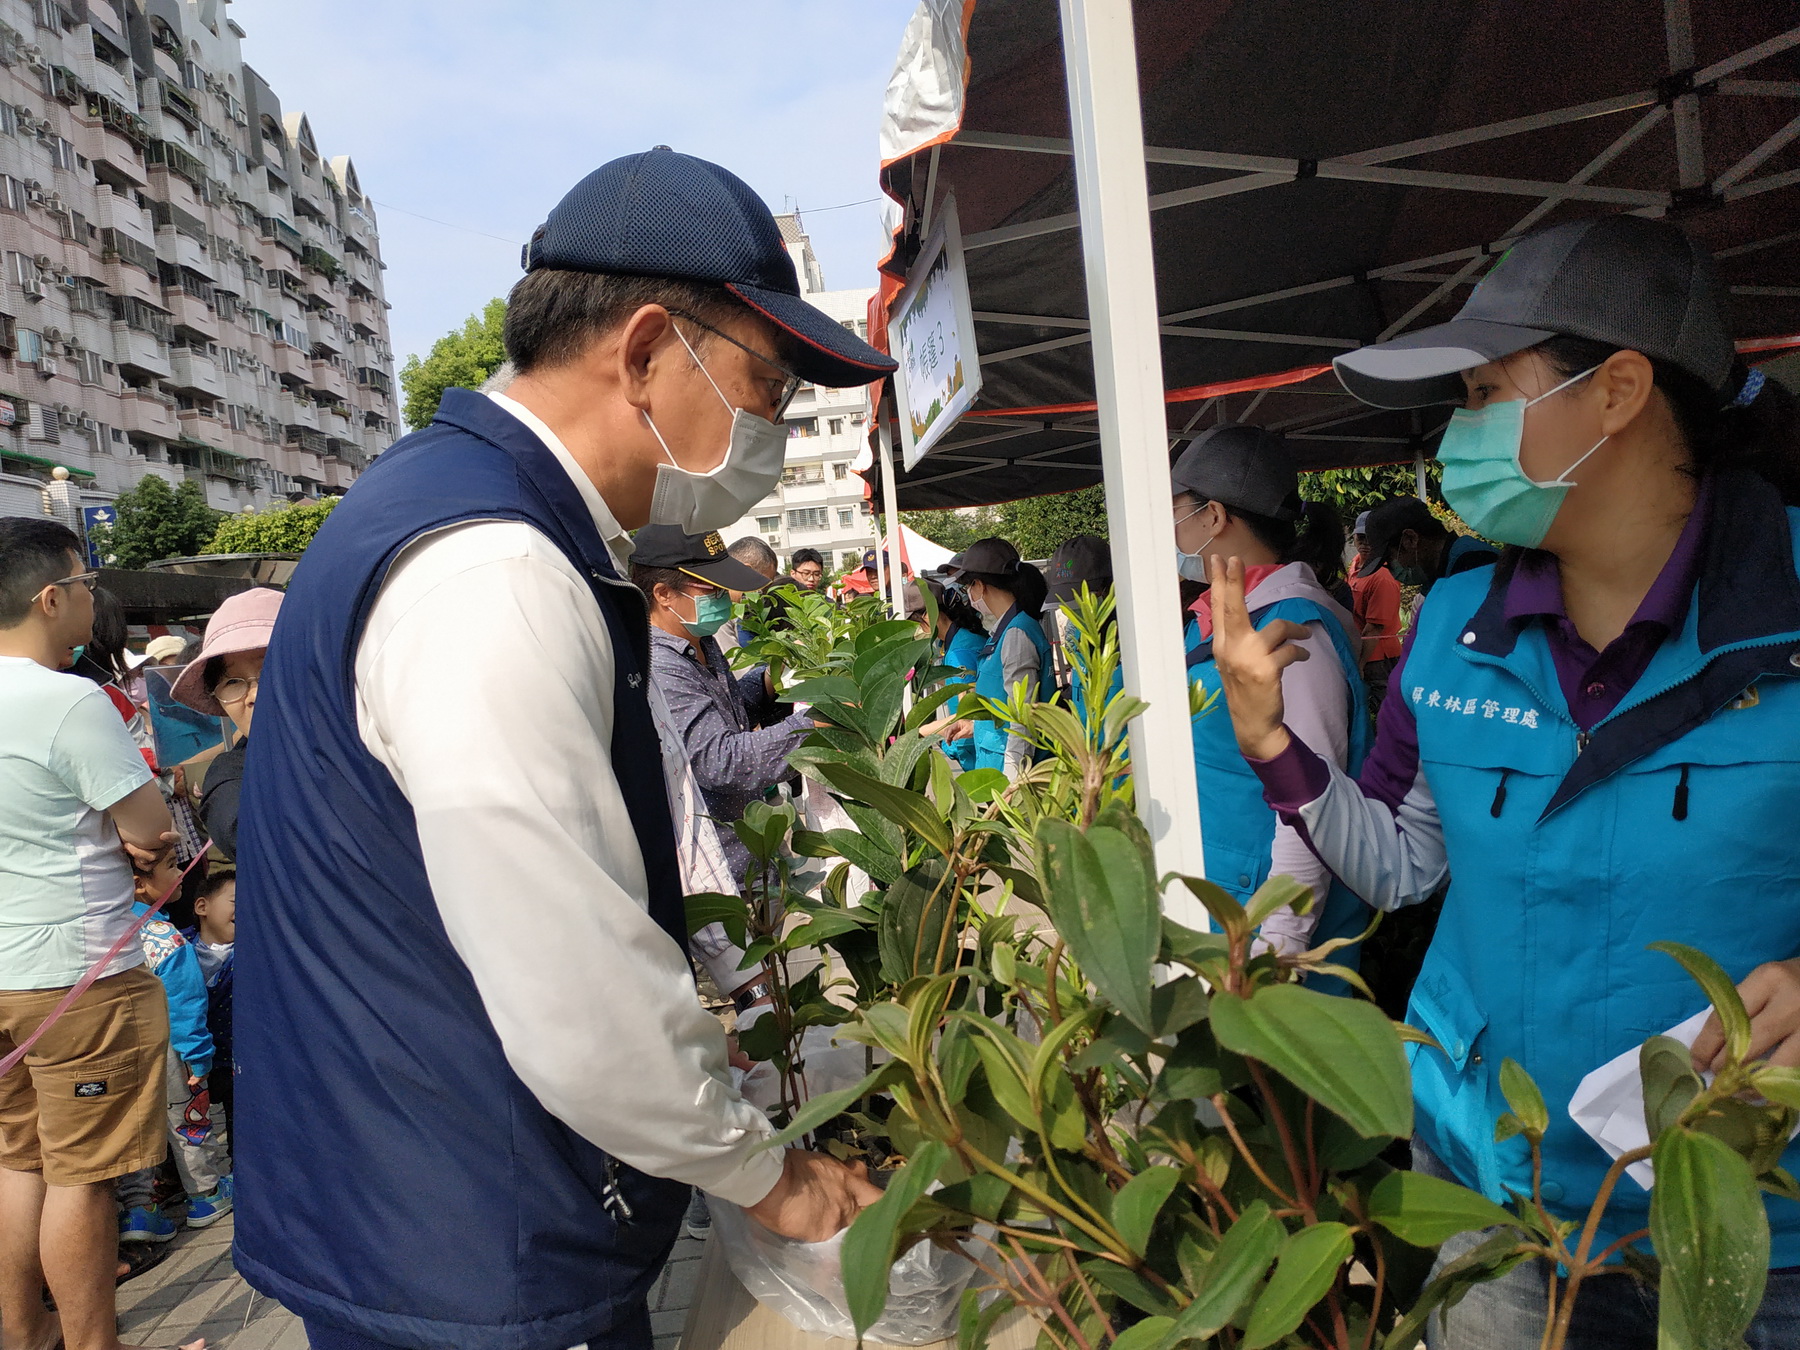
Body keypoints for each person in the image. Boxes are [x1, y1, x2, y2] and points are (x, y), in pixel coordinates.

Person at [231, 148, 893, 1350]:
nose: (772, 431)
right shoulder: (495, 570)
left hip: (418, 1196)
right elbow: (571, 983)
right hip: (475, 1242)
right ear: (644, 353)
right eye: (767, 387)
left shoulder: (448, 505)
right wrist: (769, 1177)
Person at [1208, 214, 1800, 1349]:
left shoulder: (1785, 611)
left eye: (1484, 394)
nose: (1457, 436)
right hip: (1498, 1195)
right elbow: (1401, 862)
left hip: (1749, 1231)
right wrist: (1273, 743)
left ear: (1618, 391)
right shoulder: (1455, 628)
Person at [0, 517, 186, 1350]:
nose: (91, 598)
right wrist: (150, 851)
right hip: (78, 979)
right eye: (85, 584)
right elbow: (149, 827)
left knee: (18, 1160)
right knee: (85, 1175)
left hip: (8, 977)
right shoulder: (68, 698)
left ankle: (25, 1332)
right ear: (49, 598)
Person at [1170, 426, 1371, 971]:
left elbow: (1311, 803)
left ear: (1213, 516)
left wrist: (1278, 949)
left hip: (1259, 933)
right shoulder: (1219, 618)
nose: (1170, 530)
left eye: (1175, 512)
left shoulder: (1296, 630)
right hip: (1215, 905)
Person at [636, 524, 811, 887]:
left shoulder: (700, 641)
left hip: (749, 852)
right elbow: (721, 761)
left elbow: (727, 716)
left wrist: (766, 681)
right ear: (664, 593)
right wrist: (814, 724)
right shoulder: (659, 664)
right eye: (710, 589)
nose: (723, 599)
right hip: (719, 871)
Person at [116, 852, 231, 1242]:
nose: (181, 872)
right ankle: (206, 1195)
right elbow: (186, 1004)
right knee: (188, 1121)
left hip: (115, 1048)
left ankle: (139, 1211)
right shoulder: (164, 937)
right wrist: (198, 1056)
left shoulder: (102, 932)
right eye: (170, 866)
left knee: (131, 1128)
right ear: (138, 883)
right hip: (169, 1048)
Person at [170, 588, 282, 862]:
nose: (254, 695)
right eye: (232, 682)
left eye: (270, 670)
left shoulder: (370, 735)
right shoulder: (230, 779)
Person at [940, 538, 1053, 775]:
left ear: (981, 585)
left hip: (1009, 771)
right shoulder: (1004, 632)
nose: (968, 593)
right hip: (994, 763)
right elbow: (1001, 704)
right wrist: (975, 726)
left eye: (969, 586)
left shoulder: (1017, 634)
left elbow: (1021, 718)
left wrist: (1014, 782)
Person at [1355, 495, 1497, 596]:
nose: (1394, 570)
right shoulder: (1440, 574)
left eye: (1390, 559)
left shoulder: (1473, 565)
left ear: (1410, 539)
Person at [919, 577, 986, 768]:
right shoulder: (958, 640)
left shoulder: (959, 652)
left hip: (974, 749)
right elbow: (955, 682)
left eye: (912, 622)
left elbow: (969, 711)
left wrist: (917, 734)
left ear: (929, 614)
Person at [184, 875, 235, 1128]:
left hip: (236, 1064)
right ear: (202, 907)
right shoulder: (174, 948)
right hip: (186, 1064)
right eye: (237, 901)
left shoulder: (256, 950)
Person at [1349, 513, 1404, 707]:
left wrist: (1360, 664)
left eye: (1370, 538)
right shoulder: (1356, 564)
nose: (1365, 543)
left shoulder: (1382, 576)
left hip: (1378, 657)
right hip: (1361, 650)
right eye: (1361, 537)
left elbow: (1375, 628)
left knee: (1383, 707)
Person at [717, 535, 778, 651]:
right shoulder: (719, 616)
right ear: (745, 572)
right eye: (764, 586)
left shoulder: (741, 613)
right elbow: (736, 662)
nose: (762, 594)